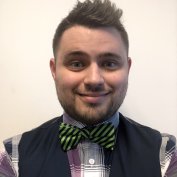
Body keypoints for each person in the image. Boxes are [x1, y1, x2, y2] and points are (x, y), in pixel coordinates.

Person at [0, 0, 177, 176]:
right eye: (77, 64)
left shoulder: (164, 153)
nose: (94, 79)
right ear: (54, 70)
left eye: (109, 63)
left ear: (128, 69)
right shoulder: (13, 156)